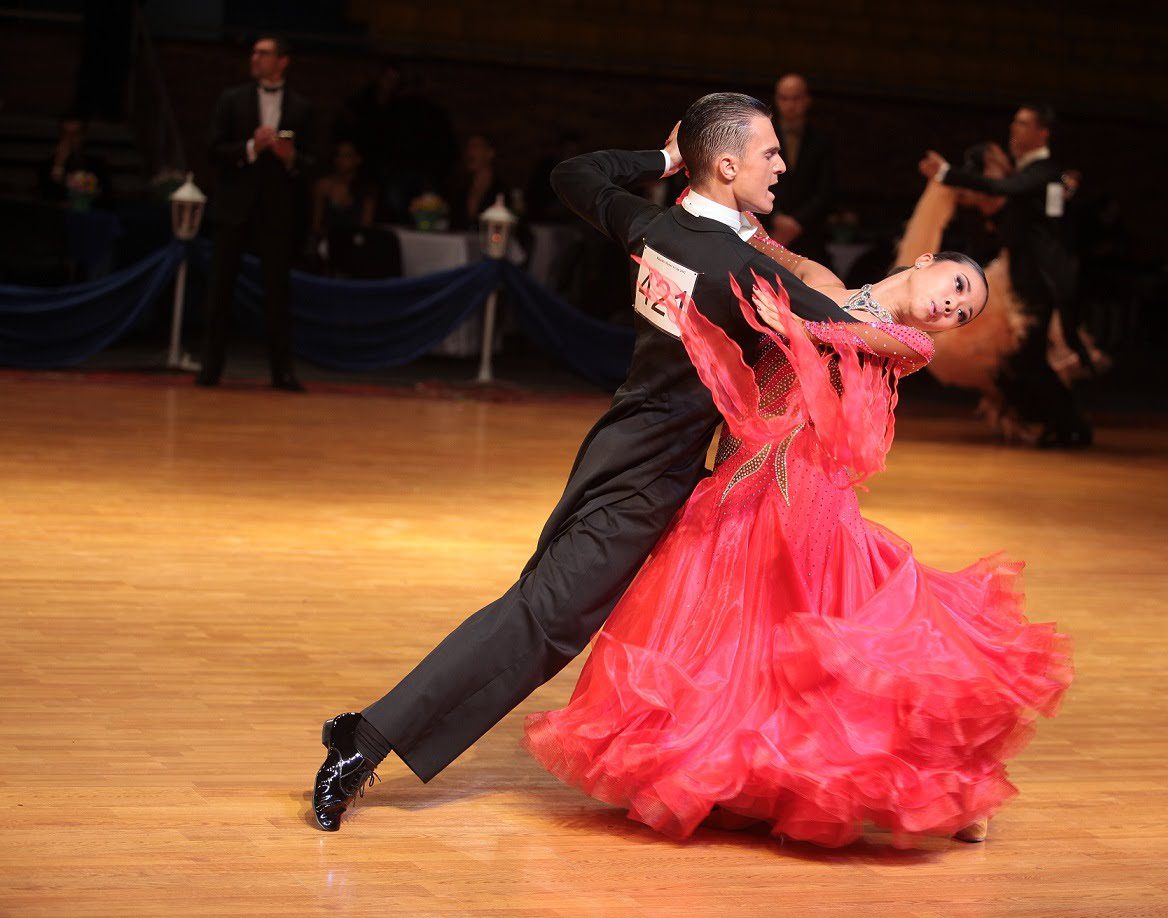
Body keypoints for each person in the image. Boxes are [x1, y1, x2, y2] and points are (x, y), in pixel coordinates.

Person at [310, 92, 866, 832]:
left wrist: (662, 159)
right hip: (645, 477)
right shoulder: (733, 264)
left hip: (644, 458)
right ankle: (363, 740)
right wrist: (922, 315)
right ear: (728, 165)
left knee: (693, 610)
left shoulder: (662, 228)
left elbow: (575, 174)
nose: (782, 164)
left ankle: (732, 767)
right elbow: (846, 323)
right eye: (770, 152)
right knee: (542, 617)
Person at [523, 231, 1073, 847]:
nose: (952, 307)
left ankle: (947, 785)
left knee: (811, 628)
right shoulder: (826, 288)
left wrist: (790, 320)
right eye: (958, 286)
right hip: (738, 476)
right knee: (730, 626)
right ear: (927, 261)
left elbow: (848, 335)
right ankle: (731, 771)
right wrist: (730, 221)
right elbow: (780, 254)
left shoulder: (911, 343)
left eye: (963, 314)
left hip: (806, 492)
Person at [903, 140, 1108, 444]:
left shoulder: (1017, 194)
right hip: (1003, 289)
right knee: (1016, 363)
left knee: (1028, 360)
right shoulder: (980, 205)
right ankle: (1051, 422)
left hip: (1026, 289)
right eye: (993, 163)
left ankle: (1064, 424)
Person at [196, 35, 313, 392]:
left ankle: (282, 371)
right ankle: (210, 368)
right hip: (234, 208)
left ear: (282, 61)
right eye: (254, 53)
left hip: (275, 213)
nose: (255, 58)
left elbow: (304, 154)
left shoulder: (298, 108)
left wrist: (288, 156)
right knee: (220, 291)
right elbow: (213, 149)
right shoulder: (233, 100)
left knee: (277, 293)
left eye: (263, 53)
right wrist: (251, 147)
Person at [768, 73, 834, 262]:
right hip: (769, 227)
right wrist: (775, 217)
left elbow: (826, 191)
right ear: (776, 100)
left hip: (808, 233)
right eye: (784, 98)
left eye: (796, 98)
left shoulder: (821, 140)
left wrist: (796, 222)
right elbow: (753, 180)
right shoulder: (762, 136)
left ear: (807, 100)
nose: (790, 105)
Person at [37, 114, 112, 208]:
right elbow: (48, 198)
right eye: (66, 134)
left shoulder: (97, 166)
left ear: (83, 136)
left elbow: (107, 200)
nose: (70, 139)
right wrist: (58, 165)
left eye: (75, 134)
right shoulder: (47, 166)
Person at [312, 140, 377, 236]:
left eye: (347, 155)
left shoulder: (366, 189)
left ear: (358, 159)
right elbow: (316, 224)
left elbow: (366, 226)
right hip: (327, 240)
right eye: (338, 155)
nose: (340, 159)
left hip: (355, 241)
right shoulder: (323, 186)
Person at [448, 133, 508, 230]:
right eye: (468, 147)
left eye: (476, 146)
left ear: (490, 153)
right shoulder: (461, 191)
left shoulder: (501, 190)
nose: (470, 151)